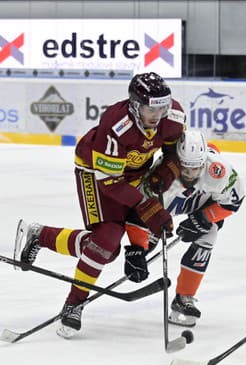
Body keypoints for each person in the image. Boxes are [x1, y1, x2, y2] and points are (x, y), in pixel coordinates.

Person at [14, 72, 185, 338]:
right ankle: (74, 302)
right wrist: (147, 207)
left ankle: (41, 234)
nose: (159, 114)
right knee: (106, 241)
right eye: (152, 108)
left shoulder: (173, 117)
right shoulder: (116, 126)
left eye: (163, 106)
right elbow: (111, 183)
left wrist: (164, 175)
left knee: (109, 248)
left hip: (136, 173)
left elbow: (174, 155)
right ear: (135, 105)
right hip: (97, 174)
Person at [128, 130, 245, 327]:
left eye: (196, 168)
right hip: (162, 210)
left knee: (209, 234)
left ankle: (184, 299)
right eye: (186, 169)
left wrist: (206, 217)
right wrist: (137, 250)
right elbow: (138, 214)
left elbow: (234, 201)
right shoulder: (161, 178)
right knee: (148, 244)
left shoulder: (217, 170)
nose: (191, 175)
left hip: (200, 205)